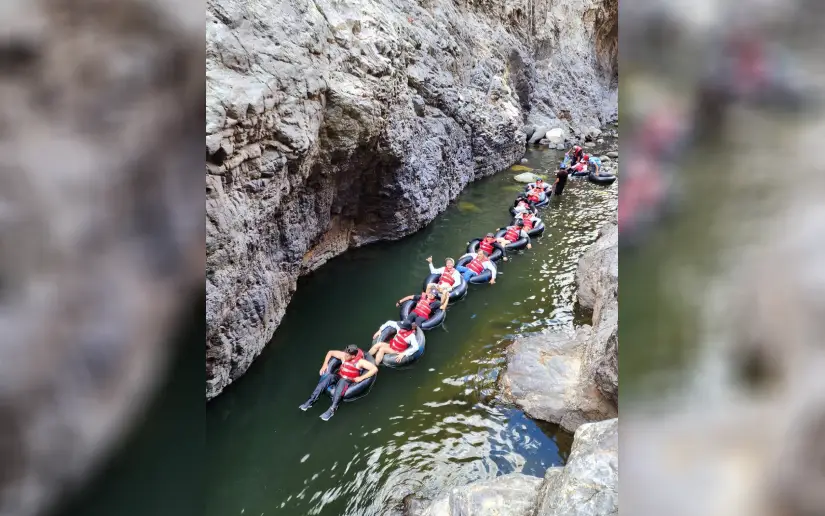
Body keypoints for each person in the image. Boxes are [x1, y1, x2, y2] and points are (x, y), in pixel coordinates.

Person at [299, 344, 378, 421]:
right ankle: (312, 399)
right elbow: (330, 352)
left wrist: (361, 378)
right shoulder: (343, 356)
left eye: (347, 356)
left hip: (349, 380)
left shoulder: (360, 362)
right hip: (340, 376)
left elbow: (374, 369)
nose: (344, 356)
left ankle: (333, 408)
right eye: (345, 354)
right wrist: (324, 364)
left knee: (343, 381)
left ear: (353, 356)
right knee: (329, 376)